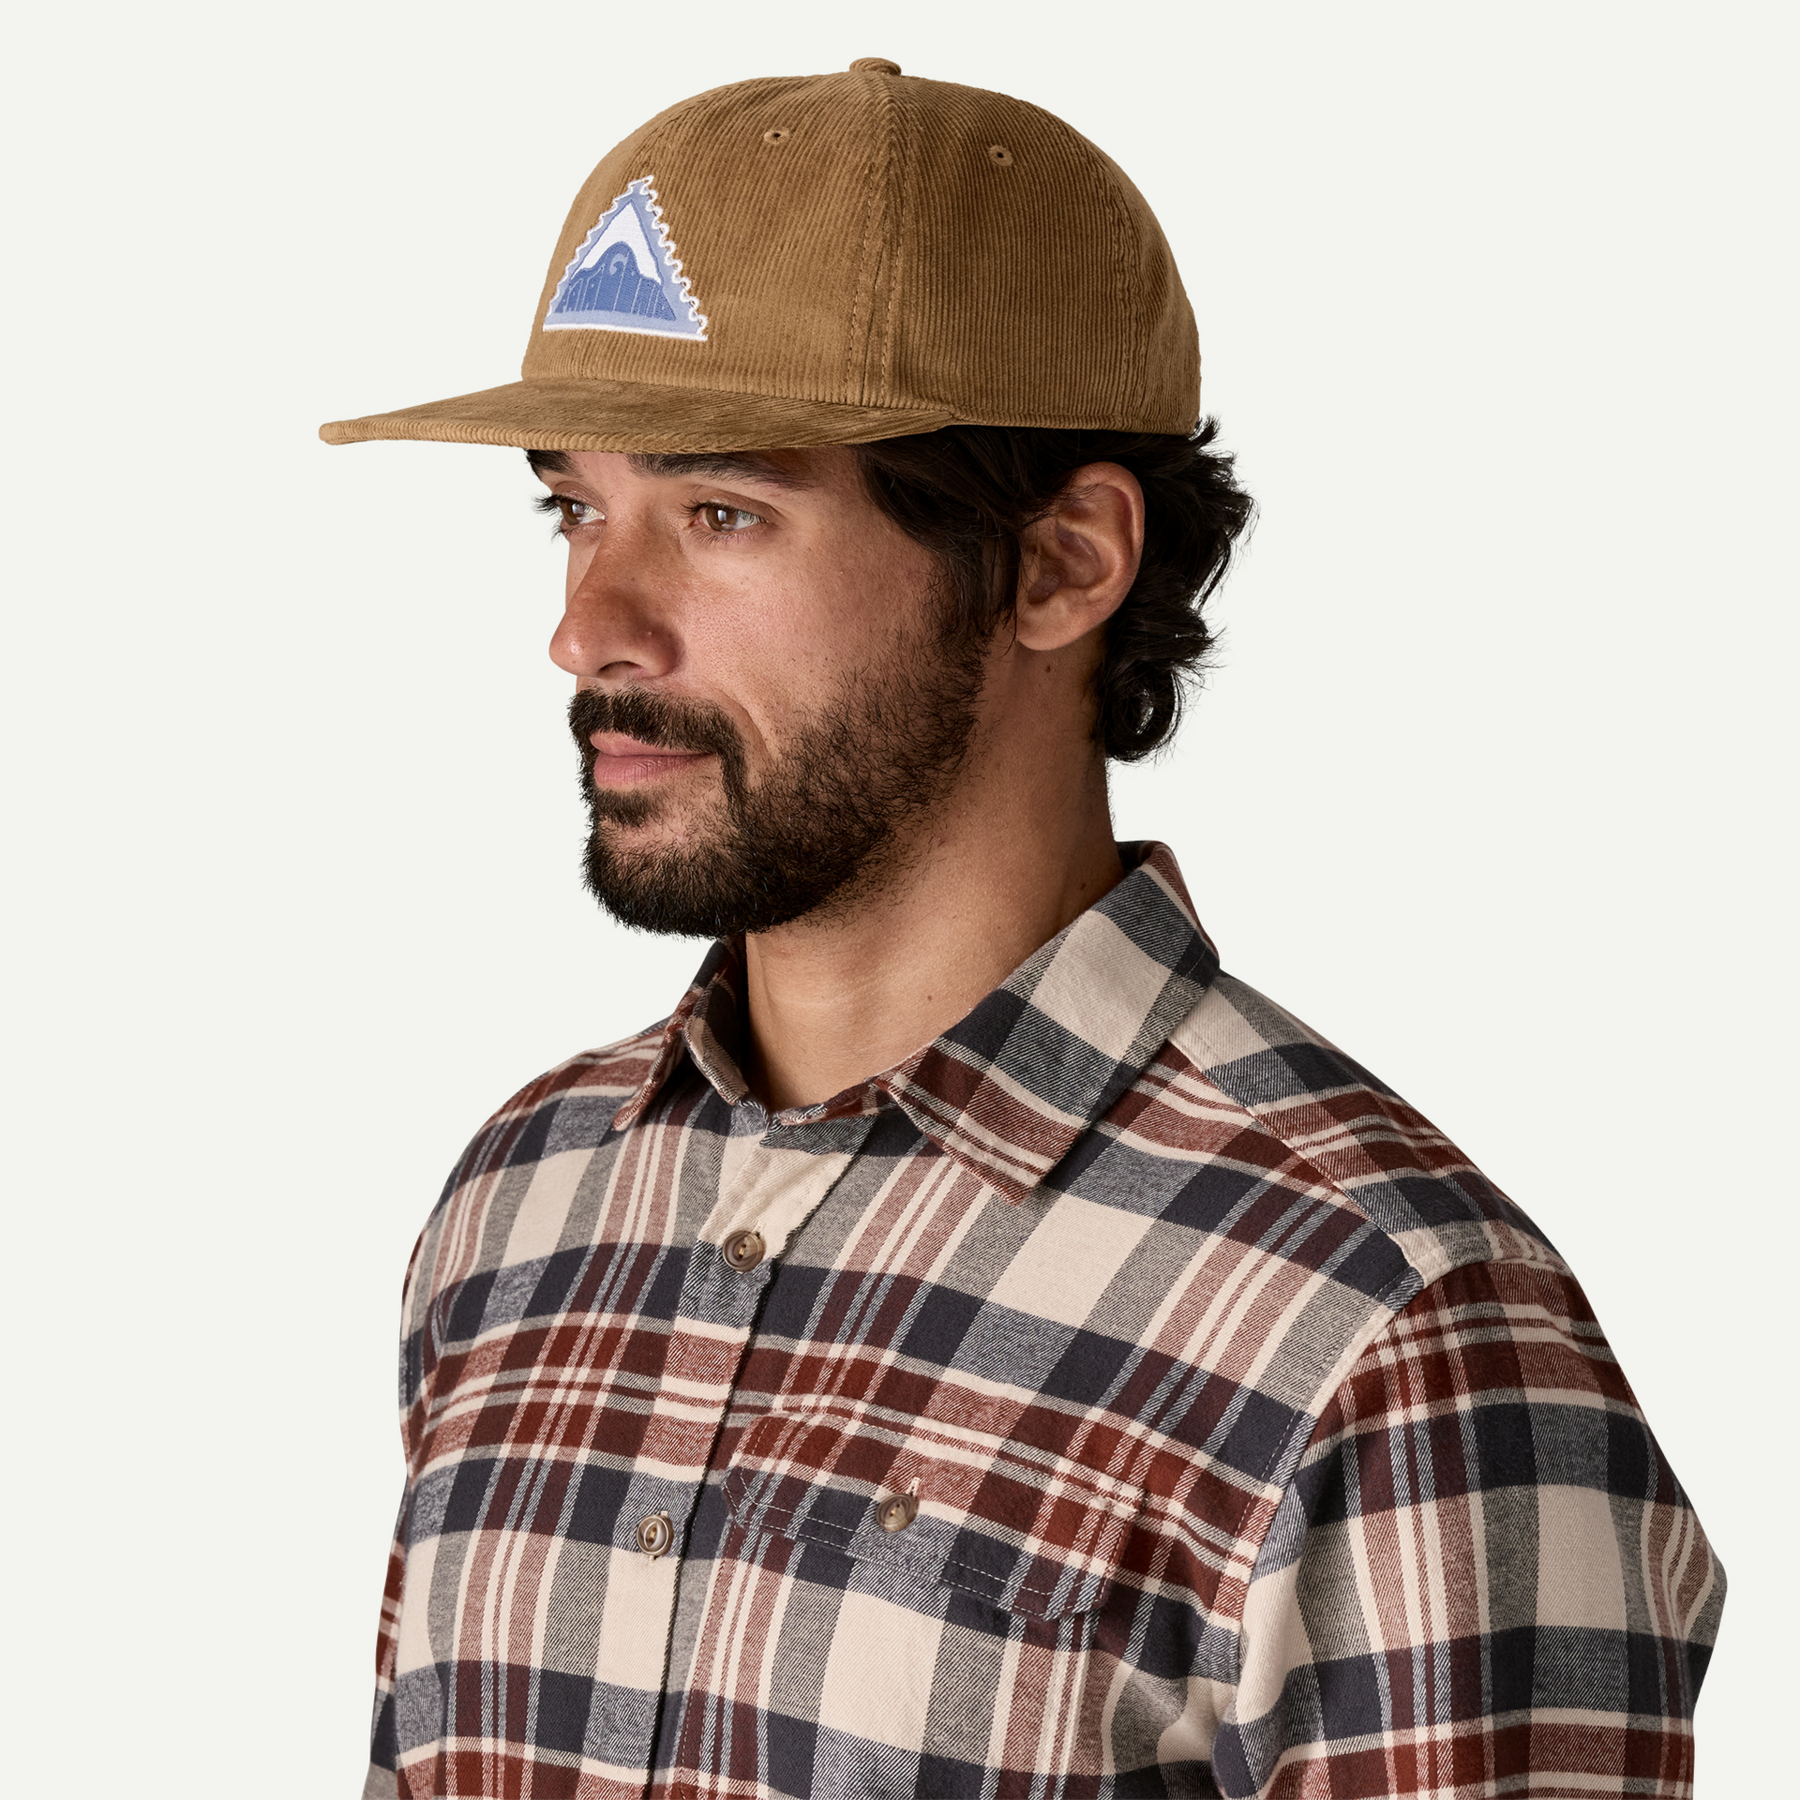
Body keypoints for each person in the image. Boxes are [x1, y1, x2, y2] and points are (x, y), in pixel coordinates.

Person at [323, 58, 1723, 1800]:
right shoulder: (522, 1206)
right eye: (574, 507)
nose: (589, 627)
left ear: (1062, 563)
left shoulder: (1385, 1328)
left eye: (722, 512)